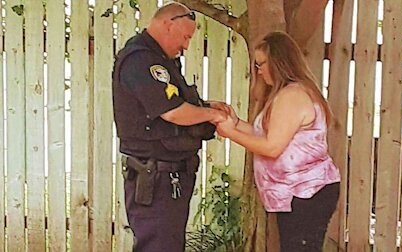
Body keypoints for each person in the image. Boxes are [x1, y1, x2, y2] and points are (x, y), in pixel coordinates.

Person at [112, 3, 228, 251]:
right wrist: (213, 115)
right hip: (156, 178)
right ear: (168, 24)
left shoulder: (160, 60)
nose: (186, 45)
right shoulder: (141, 60)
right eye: (186, 36)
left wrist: (206, 105)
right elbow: (172, 112)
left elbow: (173, 102)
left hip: (169, 178)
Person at [216, 31, 341, 252]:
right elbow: (264, 135)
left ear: (278, 62)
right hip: (297, 192)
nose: (259, 70)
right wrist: (234, 123)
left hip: (306, 192)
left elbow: (272, 147)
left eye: (262, 64)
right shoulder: (287, 93)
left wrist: (231, 134)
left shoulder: (292, 96)